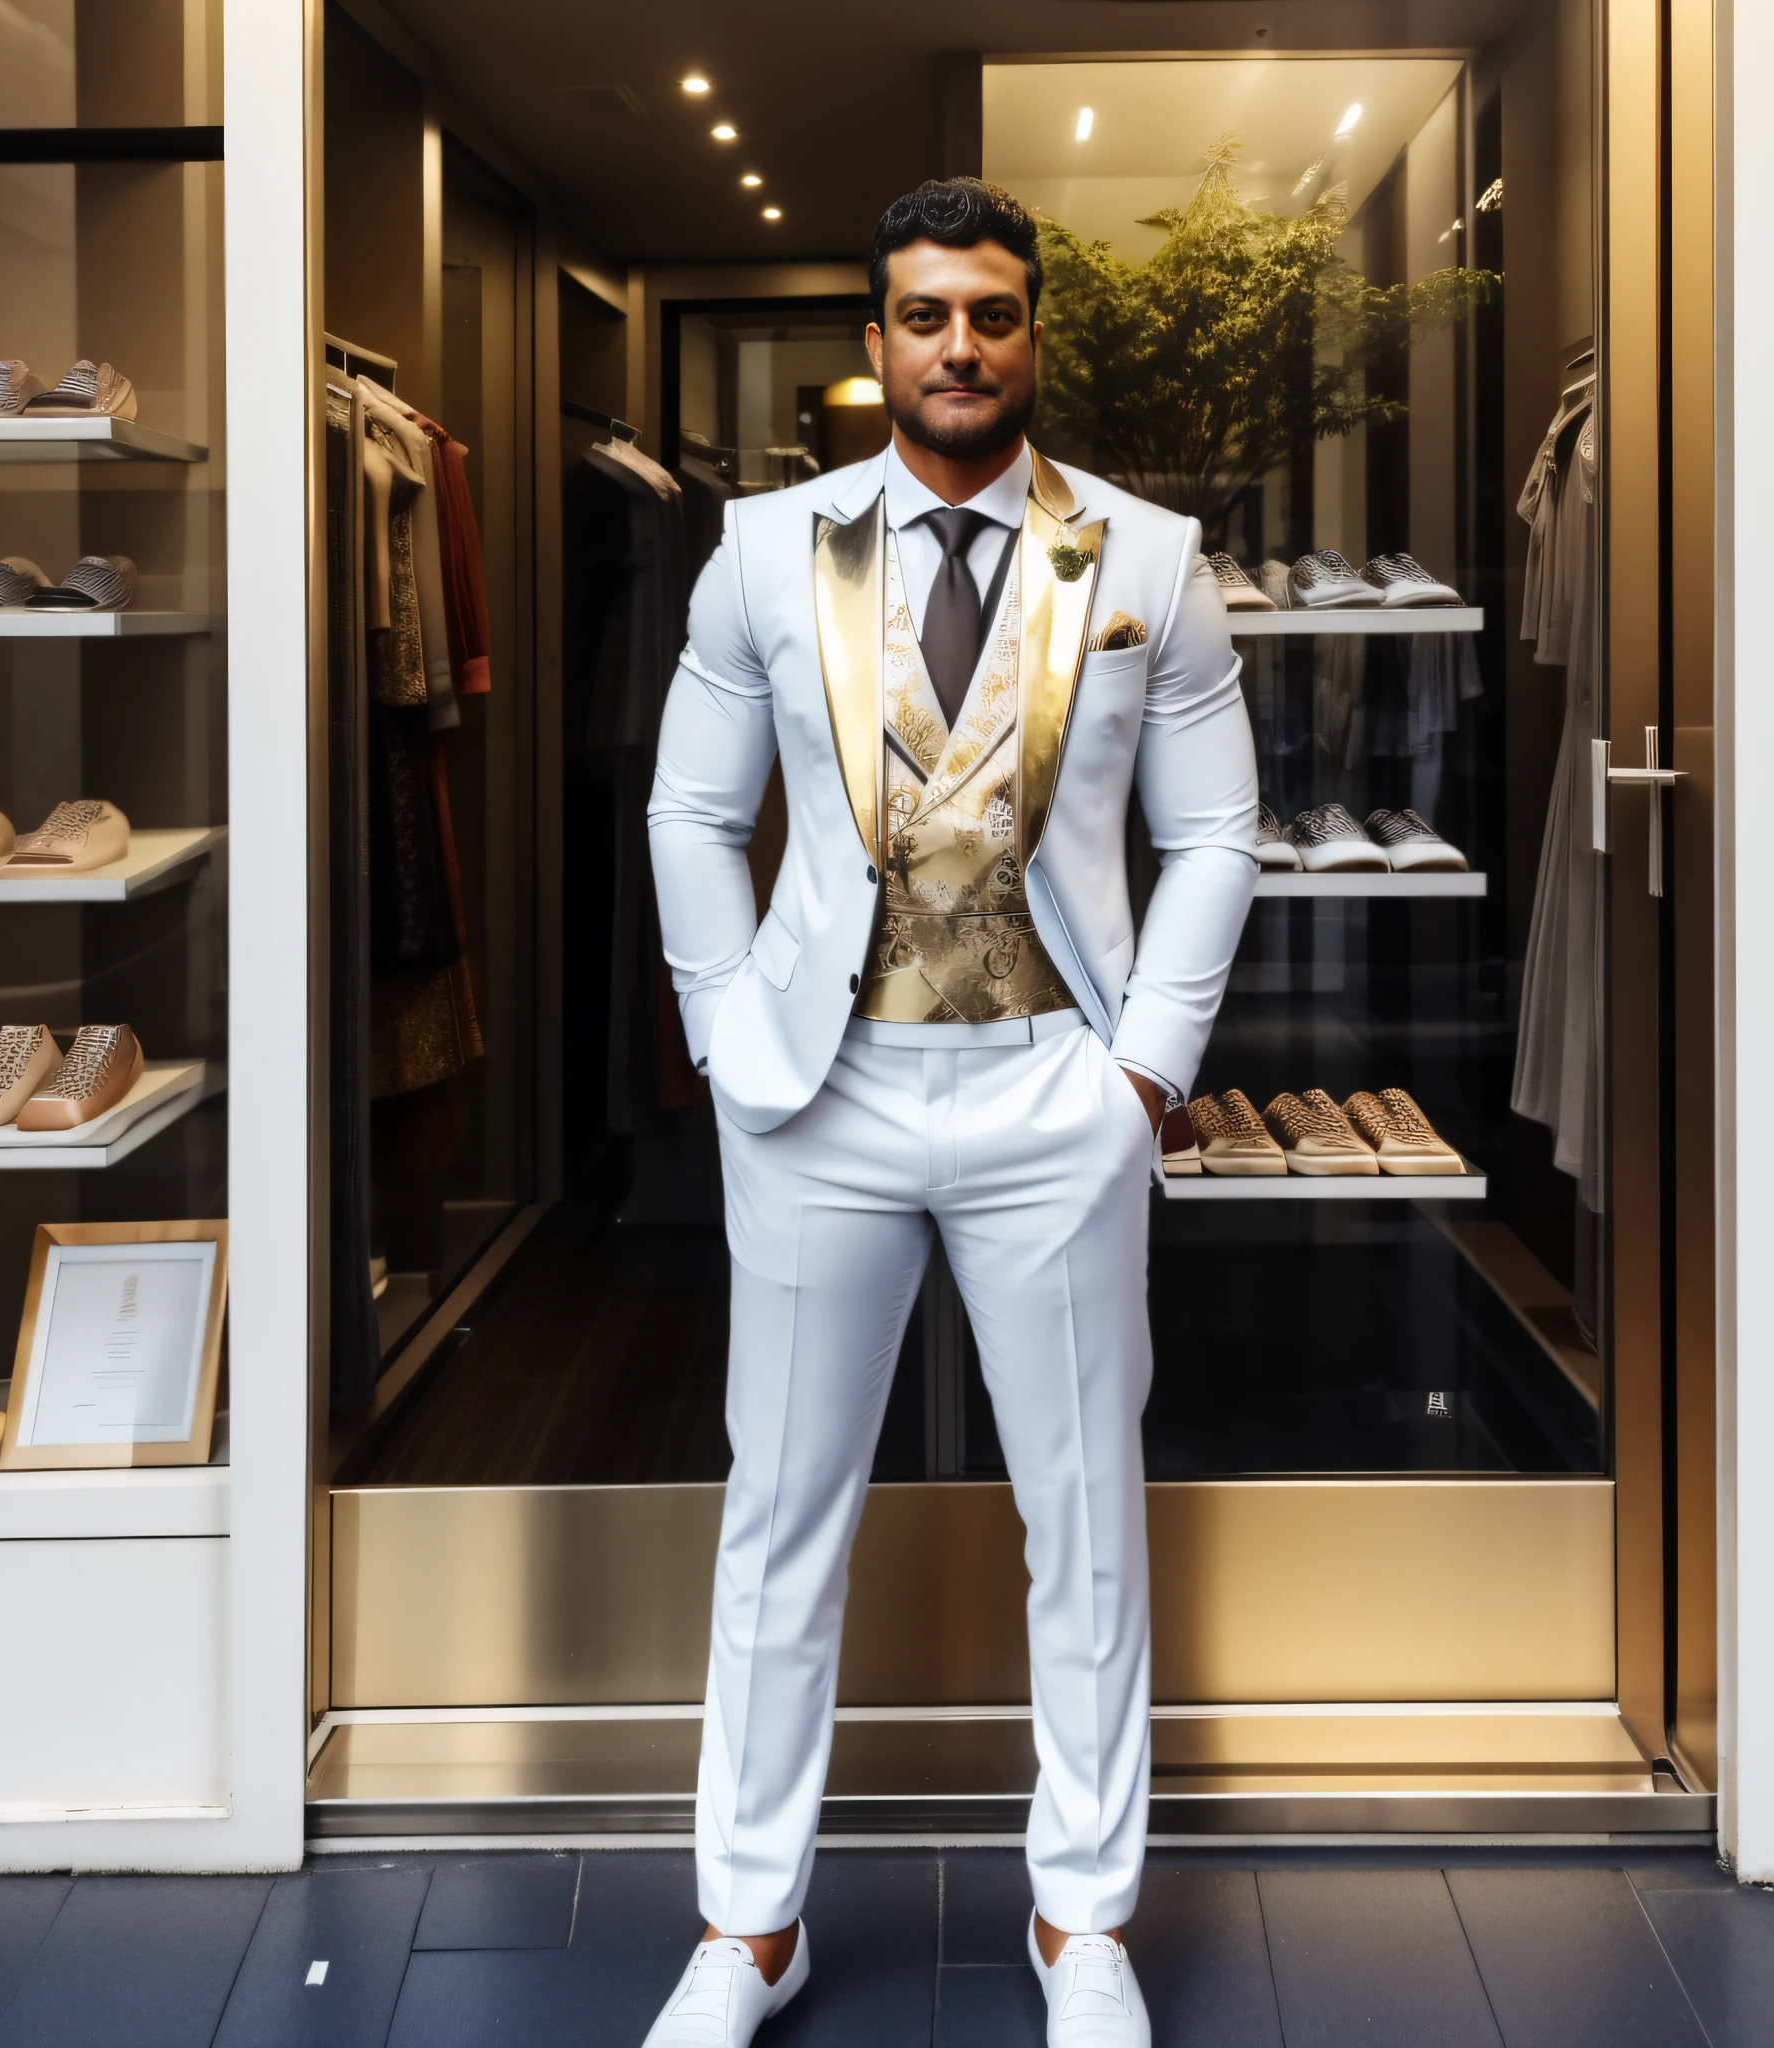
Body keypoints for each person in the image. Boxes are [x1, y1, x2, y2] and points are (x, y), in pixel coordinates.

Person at [640, 178, 1257, 2048]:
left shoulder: (1147, 559)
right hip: (820, 1092)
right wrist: (724, 1030)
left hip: (1056, 1089)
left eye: (991, 313)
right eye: (925, 315)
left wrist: (1145, 1068)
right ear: (879, 339)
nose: (959, 347)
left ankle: (1085, 1924)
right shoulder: (764, 549)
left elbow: (1214, 829)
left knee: (1084, 1517)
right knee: (780, 1514)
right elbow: (687, 811)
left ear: (1032, 334)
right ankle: (750, 1929)